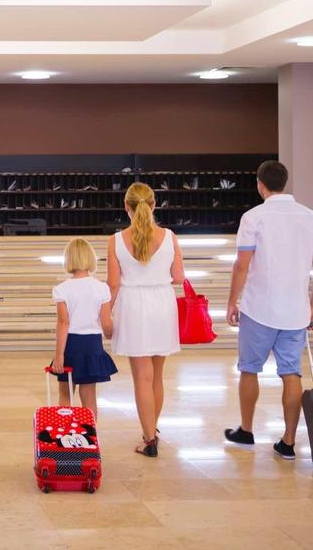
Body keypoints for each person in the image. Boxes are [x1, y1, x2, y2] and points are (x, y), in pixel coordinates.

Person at [224, 160, 313, 460]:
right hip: (295, 309)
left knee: (250, 369)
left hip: (259, 307)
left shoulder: (254, 217)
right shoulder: (308, 217)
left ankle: (246, 431)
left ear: (260, 184)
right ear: (284, 183)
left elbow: (242, 265)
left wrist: (231, 301)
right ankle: (288, 441)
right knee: (292, 373)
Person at [107, 182, 185, 458]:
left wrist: (105, 313)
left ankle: (149, 438)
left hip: (133, 306)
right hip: (162, 303)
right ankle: (152, 430)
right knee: (156, 377)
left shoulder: (116, 240)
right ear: (154, 205)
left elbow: (113, 284)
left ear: (126, 207)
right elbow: (178, 277)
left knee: (142, 377)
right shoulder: (170, 236)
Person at [50, 238, 117, 418]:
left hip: (71, 344)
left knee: (65, 394)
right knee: (89, 398)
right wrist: (111, 333)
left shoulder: (62, 289)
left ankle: (64, 437)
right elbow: (106, 323)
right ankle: (90, 438)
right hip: (92, 344)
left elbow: (63, 323)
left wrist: (59, 355)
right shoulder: (102, 288)